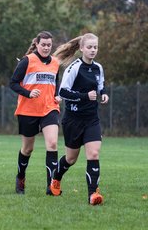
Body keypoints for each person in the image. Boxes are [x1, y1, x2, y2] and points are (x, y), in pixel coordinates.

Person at [49, 33, 109, 205]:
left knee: (94, 153)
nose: (92, 50)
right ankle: (56, 178)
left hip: (91, 119)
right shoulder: (74, 67)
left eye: (95, 47)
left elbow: (100, 85)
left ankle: (93, 194)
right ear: (82, 48)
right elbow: (63, 92)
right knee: (71, 159)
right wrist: (84, 96)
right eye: (89, 47)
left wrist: (103, 94)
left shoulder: (98, 67)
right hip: (73, 120)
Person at [10, 31, 61, 195]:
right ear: (37, 44)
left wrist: (58, 95)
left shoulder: (55, 63)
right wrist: (28, 93)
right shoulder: (27, 60)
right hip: (28, 110)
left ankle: (51, 186)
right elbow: (13, 83)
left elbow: (55, 84)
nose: (46, 48)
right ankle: (20, 178)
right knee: (27, 149)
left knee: (52, 144)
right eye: (43, 45)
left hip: (49, 108)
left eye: (49, 45)